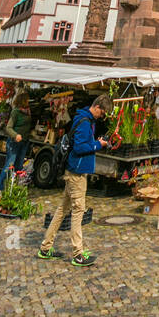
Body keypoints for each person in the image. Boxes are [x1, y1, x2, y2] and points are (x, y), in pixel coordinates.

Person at [38, 93, 112, 266]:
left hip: (75, 171)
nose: (101, 117)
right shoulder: (85, 122)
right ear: (98, 107)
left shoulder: (85, 119)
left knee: (62, 210)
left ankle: (45, 247)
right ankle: (78, 253)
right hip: (77, 173)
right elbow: (79, 147)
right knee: (79, 211)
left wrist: (94, 141)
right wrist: (96, 145)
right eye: (102, 113)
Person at [0, 92, 33, 194]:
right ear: (23, 100)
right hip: (14, 142)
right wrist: (15, 135)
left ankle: (13, 188)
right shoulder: (16, 112)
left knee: (19, 166)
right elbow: (8, 127)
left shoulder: (28, 111)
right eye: (27, 99)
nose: (29, 101)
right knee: (9, 165)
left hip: (24, 142)